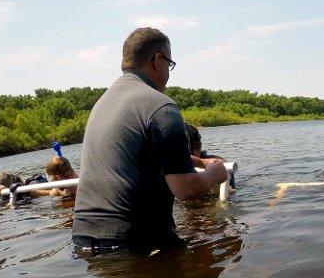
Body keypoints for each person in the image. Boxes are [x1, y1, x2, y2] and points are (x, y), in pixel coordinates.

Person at [71, 27, 228, 254]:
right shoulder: (161, 106)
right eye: (169, 64)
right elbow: (185, 189)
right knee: (222, 261)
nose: (168, 72)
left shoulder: (102, 104)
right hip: (132, 241)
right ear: (157, 60)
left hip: (83, 241)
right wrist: (214, 174)